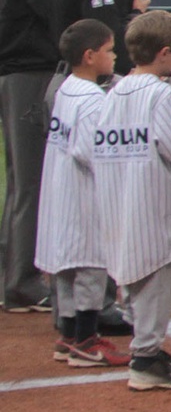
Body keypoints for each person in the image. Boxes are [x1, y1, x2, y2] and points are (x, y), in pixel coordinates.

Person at [94, 10, 171, 391]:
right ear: (163, 53)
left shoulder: (113, 90)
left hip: (116, 195)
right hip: (153, 198)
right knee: (155, 275)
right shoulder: (162, 95)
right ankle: (145, 357)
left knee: (133, 274)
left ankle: (148, 351)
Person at [0, 0, 71, 312]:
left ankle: (13, 272)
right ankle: (23, 280)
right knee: (31, 181)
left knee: (19, 182)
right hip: (30, 70)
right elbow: (52, 11)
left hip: (12, 68)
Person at [37, 19, 123, 366]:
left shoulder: (67, 88)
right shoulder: (91, 98)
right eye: (109, 50)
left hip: (61, 190)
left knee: (68, 269)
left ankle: (69, 336)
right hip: (84, 194)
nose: (114, 56)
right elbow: (89, 152)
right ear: (90, 56)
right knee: (90, 266)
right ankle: (86, 341)